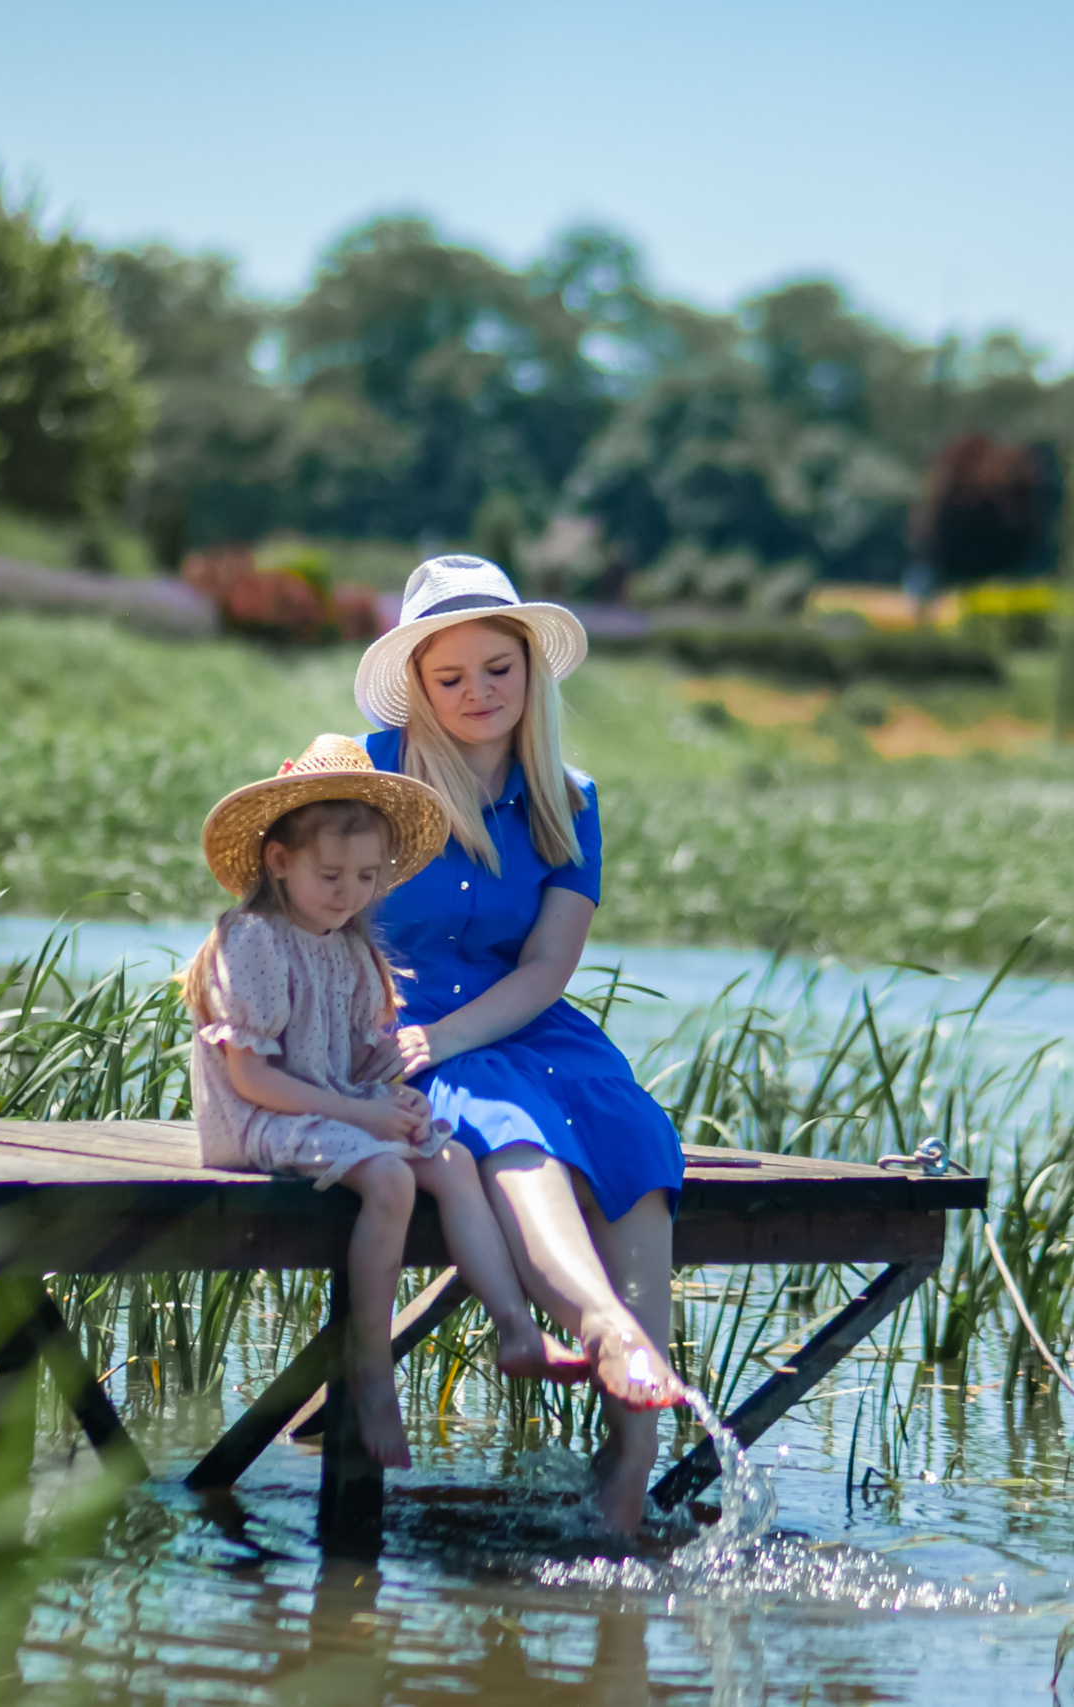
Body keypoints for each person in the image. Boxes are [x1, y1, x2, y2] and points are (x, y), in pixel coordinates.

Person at [354, 556, 690, 1534]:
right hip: (399, 1024)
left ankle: (632, 1448)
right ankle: (600, 1324)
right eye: (449, 677)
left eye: (496, 668)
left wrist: (448, 1037)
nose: (476, 692)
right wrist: (410, 1043)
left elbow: (548, 965)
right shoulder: (367, 771)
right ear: (417, 686)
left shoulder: (568, 797)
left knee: (632, 1136)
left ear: (529, 671)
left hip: (517, 1016)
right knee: (514, 1135)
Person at [184, 733, 590, 1470]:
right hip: (259, 1121)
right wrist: (366, 1117)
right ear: (281, 861)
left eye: (367, 876)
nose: (349, 892)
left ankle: (516, 1328)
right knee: (393, 1176)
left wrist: (393, 1099)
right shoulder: (252, 940)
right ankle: (369, 1372)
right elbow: (253, 1080)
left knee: (450, 1156)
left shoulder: (351, 948)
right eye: (330, 873)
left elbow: (358, 1061)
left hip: (329, 1110)